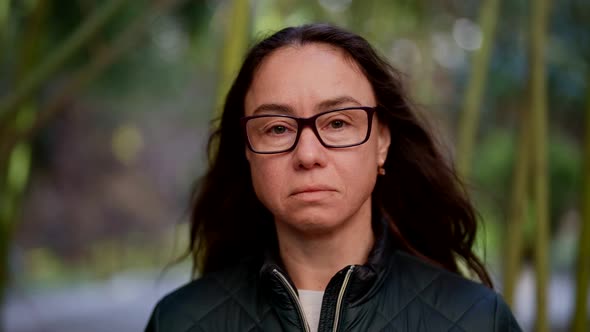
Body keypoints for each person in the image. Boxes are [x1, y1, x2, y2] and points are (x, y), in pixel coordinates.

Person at [145, 23, 521, 331]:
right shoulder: (179, 322)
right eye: (277, 128)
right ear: (247, 150)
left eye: (338, 122)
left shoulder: (475, 319)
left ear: (381, 142)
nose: (308, 155)